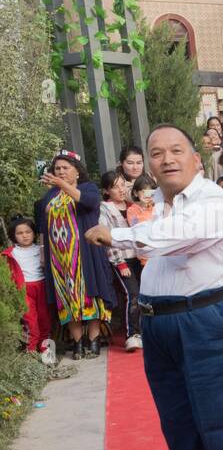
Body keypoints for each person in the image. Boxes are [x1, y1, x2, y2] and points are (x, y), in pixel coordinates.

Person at [85, 124, 223, 450]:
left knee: (221, 416)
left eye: (176, 150)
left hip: (210, 317)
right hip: (160, 322)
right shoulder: (159, 207)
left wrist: (120, 235)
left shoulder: (212, 201)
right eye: (157, 153)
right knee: (179, 420)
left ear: (195, 159)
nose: (167, 159)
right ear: (147, 164)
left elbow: (178, 239)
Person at [35, 149, 117, 359]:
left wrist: (63, 185)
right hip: (59, 260)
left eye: (65, 168)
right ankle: (78, 343)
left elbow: (89, 203)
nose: (60, 171)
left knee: (91, 295)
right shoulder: (50, 197)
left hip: (86, 255)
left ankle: (94, 340)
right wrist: (44, 254)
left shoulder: (87, 188)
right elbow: (44, 228)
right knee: (67, 300)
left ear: (77, 171)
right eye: (57, 168)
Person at [97, 170, 143, 353]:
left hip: (140, 257)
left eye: (123, 184)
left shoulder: (134, 205)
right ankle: (132, 334)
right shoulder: (105, 208)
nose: (121, 189)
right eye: (115, 187)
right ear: (107, 191)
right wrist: (120, 263)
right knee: (132, 294)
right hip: (122, 259)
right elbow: (106, 237)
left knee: (145, 294)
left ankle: (145, 331)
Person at [4, 217, 52, 359]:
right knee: (31, 323)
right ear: (13, 235)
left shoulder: (41, 249)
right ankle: (31, 355)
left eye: (28, 232)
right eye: (20, 233)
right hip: (24, 290)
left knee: (45, 320)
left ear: (34, 233)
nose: (24, 235)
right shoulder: (10, 253)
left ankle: (46, 353)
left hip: (42, 287)